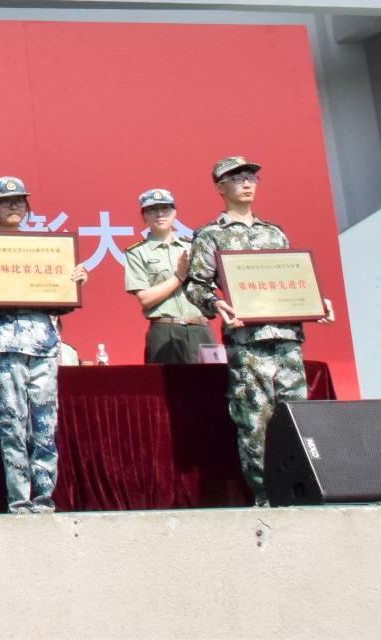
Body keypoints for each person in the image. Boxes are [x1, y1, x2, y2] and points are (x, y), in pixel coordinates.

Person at [185, 156, 336, 505]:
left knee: (296, 418)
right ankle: (265, 498)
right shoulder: (211, 235)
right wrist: (216, 305)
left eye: (251, 177)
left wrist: (316, 303)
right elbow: (196, 285)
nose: (247, 183)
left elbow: (292, 279)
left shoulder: (274, 233)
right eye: (237, 178)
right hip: (248, 343)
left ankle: (301, 495)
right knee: (254, 421)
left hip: (286, 340)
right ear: (220, 187)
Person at [0, 175, 87, 515]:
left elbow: (60, 304)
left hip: (42, 344)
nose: (14, 206)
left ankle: (44, 500)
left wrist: (73, 285)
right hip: (5, 345)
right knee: (11, 423)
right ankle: (19, 500)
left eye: (20, 200)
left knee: (44, 424)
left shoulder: (44, 248)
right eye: (5, 201)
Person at [123, 188, 208, 364]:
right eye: (152, 209)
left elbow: (207, 289)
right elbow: (146, 299)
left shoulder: (192, 247)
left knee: (211, 381)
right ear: (143, 216)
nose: (160, 214)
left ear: (175, 213)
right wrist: (179, 276)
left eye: (165, 208)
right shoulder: (137, 252)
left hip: (200, 328)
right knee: (165, 382)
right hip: (165, 329)